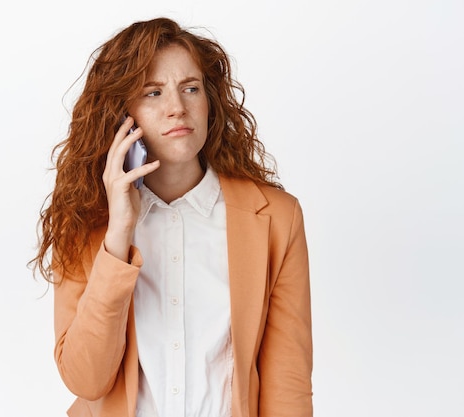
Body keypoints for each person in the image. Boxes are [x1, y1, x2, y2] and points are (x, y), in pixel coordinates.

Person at [31, 17, 312, 417]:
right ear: (121, 113)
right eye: (153, 92)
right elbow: (86, 379)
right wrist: (118, 234)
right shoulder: (86, 222)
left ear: (210, 101)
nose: (176, 108)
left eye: (190, 88)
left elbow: (289, 386)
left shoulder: (275, 219)